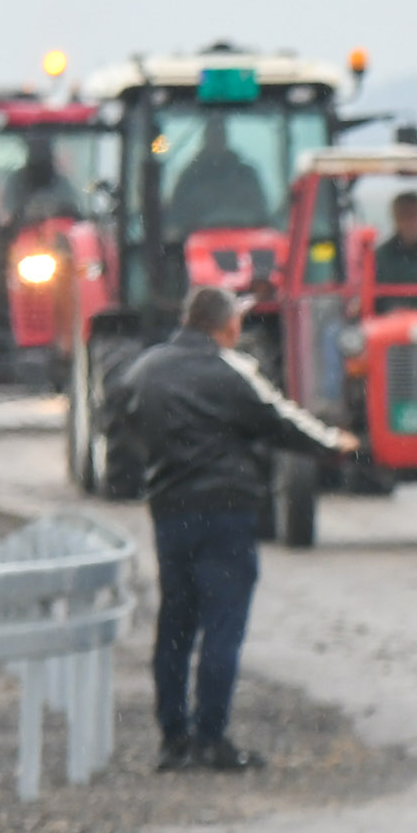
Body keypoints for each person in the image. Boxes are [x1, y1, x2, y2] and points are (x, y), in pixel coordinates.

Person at [112, 285, 359, 771]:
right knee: (223, 627)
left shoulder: (144, 371)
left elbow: (119, 415)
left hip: (171, 512)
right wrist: (334, 444)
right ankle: (212, 737)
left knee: (175, 626)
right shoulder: (232, 372)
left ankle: (173, 739)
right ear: (228, 326)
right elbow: (279, 420)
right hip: (226, 512)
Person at [168, 116, 271, 235]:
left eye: (220, 135)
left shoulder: (246, 175)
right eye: (213, 135)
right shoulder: (189, 178)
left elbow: (261, 213)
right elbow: (176, 219)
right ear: (205, 138)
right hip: (196, 240)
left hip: (246, 238)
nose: (217, 139)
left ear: (226, 138)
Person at [2, 141, 83, 226]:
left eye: (43, 151)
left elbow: (74, 214)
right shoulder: (16, 182)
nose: (41, 157)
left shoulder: (63, 184)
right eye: (37, 151)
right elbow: (7, 214)